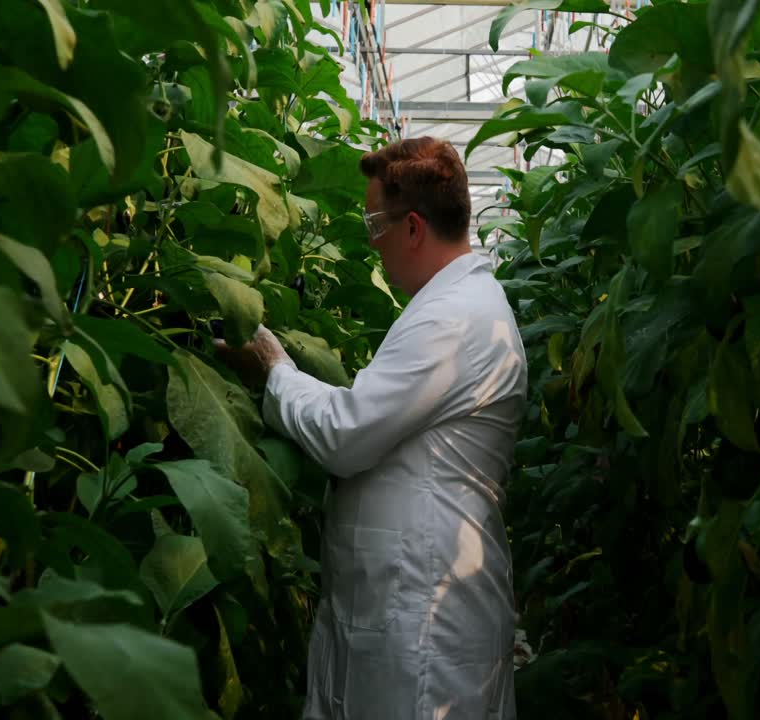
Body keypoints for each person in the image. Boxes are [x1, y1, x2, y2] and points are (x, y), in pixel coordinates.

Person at [216, 137, 527, 720]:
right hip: (411, 602)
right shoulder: (456, 306)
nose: (372, 242)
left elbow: (346, 433)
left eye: (374, 225)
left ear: (412, 228)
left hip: (425, 616)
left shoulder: (454, 319)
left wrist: (274, 368)